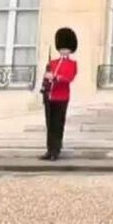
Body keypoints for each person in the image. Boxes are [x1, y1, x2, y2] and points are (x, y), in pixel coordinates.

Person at [40, 27, 78, 161]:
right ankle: (49, 150)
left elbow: (69, 78)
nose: (63, 50)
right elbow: (46, 78)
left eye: (66, 48)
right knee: (50, 125)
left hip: (62, 97)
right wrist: (46, 78)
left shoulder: (72, 64)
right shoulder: (52, 62)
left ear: (70, 49)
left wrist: (55, 77)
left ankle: (56, 150)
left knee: (58, 124)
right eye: (61, 47)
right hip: (49, 96)